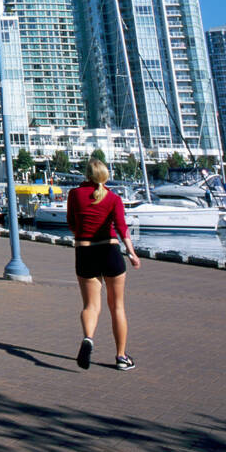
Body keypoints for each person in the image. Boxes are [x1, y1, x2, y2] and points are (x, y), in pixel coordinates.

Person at [66, 157, 140, 370]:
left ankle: (88, 338)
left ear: (87, 175)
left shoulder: (74, 195)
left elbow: (72, 223)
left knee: (91, 305)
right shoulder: (113, 198)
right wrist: (132, 254)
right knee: (117, 306)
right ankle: (121, 357)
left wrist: (81, 233)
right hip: (110, 250)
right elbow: (122, 227)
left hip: (84, 251)